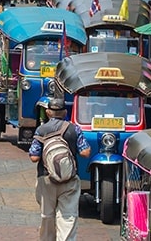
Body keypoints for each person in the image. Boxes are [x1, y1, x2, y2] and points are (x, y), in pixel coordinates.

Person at [28, 98, 90, 241]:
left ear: (48, 112)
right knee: (68, 217)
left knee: (47, 216)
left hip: (46, 179)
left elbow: (34, 158)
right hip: (69, 180)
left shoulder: (41, 130)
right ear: (65, 112)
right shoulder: (74, 129)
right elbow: (85, 152)